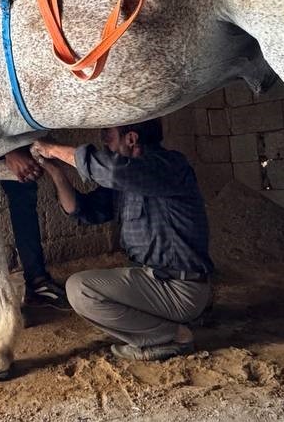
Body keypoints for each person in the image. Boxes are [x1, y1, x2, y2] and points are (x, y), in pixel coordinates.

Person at [32, 120, 214, 361]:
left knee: (80, 289)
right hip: (157, 284)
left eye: (109, 133)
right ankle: (169, 323)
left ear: (131, 139)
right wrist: (56, 171)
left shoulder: (168, 166)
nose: (103, 138)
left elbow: (112, 171)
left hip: (180, 289)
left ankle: (173, 336)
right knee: (92, 285)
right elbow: (81, 210)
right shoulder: (124, 185)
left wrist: (52, 149)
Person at [0, 147, 70, 323]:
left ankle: (37, 282)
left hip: (8, 138)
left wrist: (17, 149)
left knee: (24, 195)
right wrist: (9, 151)